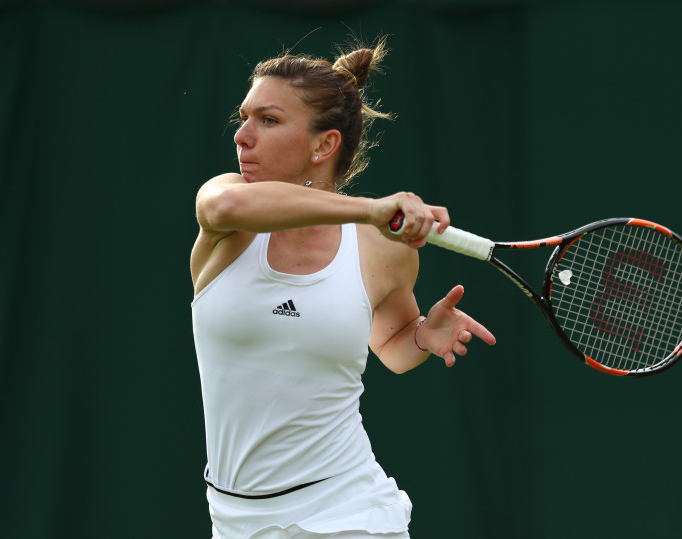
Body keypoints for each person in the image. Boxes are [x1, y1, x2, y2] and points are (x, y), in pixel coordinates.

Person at [190, 38, 496, 538]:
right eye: (243, 118)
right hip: (234, 521)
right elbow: (225, 210)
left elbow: (392, 342)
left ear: (323, 145)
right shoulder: (224, 205)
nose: (243, 136)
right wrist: (371, 209)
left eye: (267, 120)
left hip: (347, 512)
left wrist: (421, 336)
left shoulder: (383, 248)